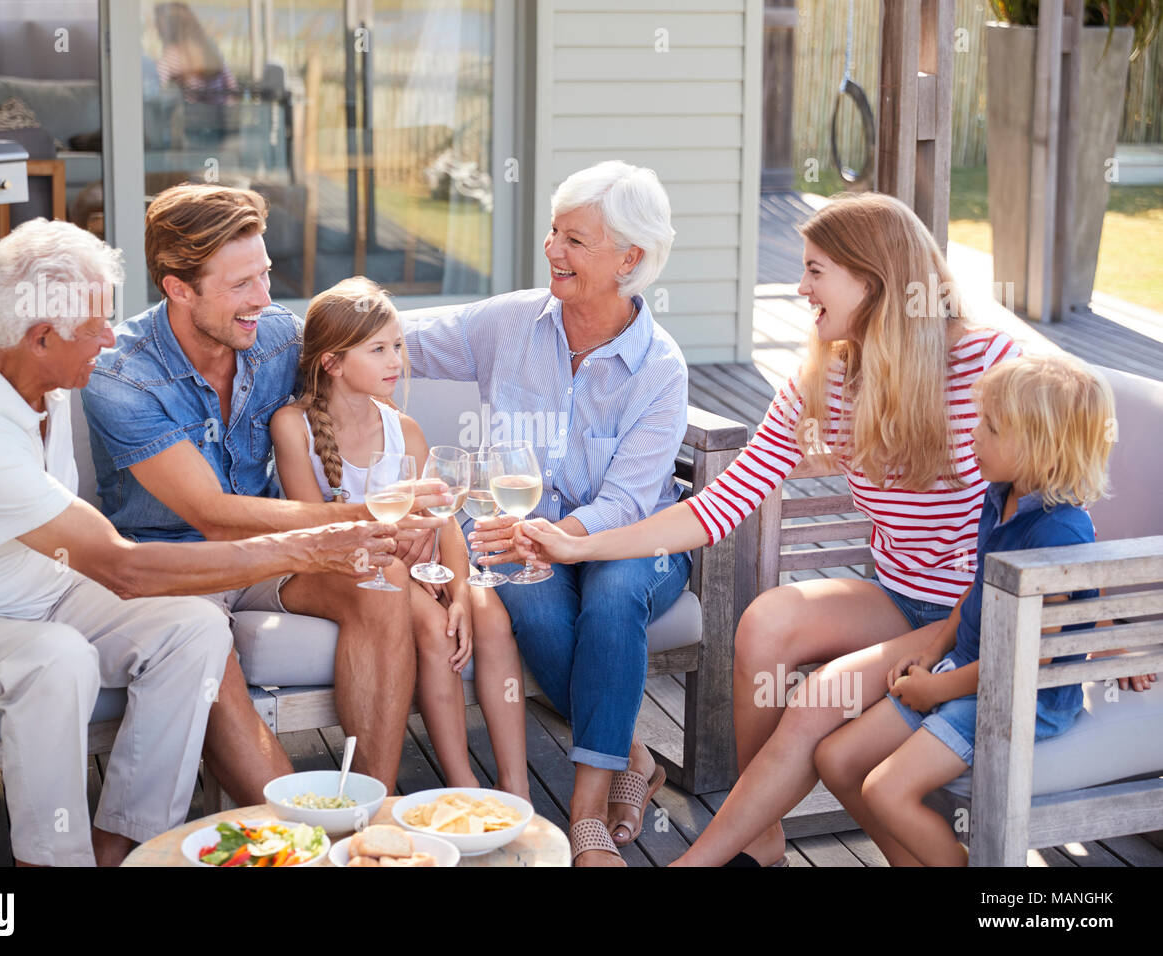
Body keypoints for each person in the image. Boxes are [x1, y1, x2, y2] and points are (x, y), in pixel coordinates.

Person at [0, 219, 398, 866]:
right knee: (55, 660)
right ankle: (54, 859)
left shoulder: (27, 365)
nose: (110, 338)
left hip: (42, 590)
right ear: (39, 338)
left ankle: (127, 844)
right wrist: (312, 546)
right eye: (95, 327)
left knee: (193, 627)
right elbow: (123, 568)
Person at [518, 191, 1022, 866]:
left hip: (986, 615)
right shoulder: (828, 379)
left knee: (823, 697)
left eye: (816, 270)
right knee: (765, 622)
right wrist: (584, 543)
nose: (799, 285)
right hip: (901, 595)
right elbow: (717, 504)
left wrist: (1100, 625)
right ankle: (761, 839)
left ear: (871, 279)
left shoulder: (990, 362)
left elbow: (1057, 495)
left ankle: (712, 853)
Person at [81, 184, 447, 792]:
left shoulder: (276, 337)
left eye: (266, 275)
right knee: (207, 664)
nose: (265, 298)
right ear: (178, 288)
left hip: (268, 557)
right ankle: (309, 842)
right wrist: (375, 514)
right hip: (176, 566)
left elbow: (356, 360)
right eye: (241, 285)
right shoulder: (121, 374)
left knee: (378, 583)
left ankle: (369, 813)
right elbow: (213, 517)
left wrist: (413, 483)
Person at [401, 160, 691, 866]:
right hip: (520, 535)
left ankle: (584, 816)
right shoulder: (509, 324)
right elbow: (390, 336)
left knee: (616, 593)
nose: (553, 250)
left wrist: (559, 537)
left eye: (576, 240)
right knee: (521, 590)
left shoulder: (659, 367)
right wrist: (284, 326)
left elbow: (626, 502)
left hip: (634, 543)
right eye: (553, 233)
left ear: (631, 259)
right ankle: (633, 755)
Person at [814, 353, 1136, 865]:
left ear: (1039, 445)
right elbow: (976, 589)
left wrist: (935, 689)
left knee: (885, 790)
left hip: (1017, 699)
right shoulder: (1001, 494)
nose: (974, 436)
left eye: (990, 426)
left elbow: (1030, 660)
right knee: (835, 758)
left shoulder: (1059, 532)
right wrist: (931, 654)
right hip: (961, 672)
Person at [270, 276, 530, 798]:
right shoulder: (292, 426)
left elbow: (443, 516)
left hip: (409, 564)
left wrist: (459, 592)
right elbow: (316, 526)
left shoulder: (403, 429)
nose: (397, 361)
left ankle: (512, 787)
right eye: (379, 349)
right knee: (434, 629)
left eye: (398, 347)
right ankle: (462, 786)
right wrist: (401, 542)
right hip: (336, 566)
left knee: (487, 614)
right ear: (333, 362)